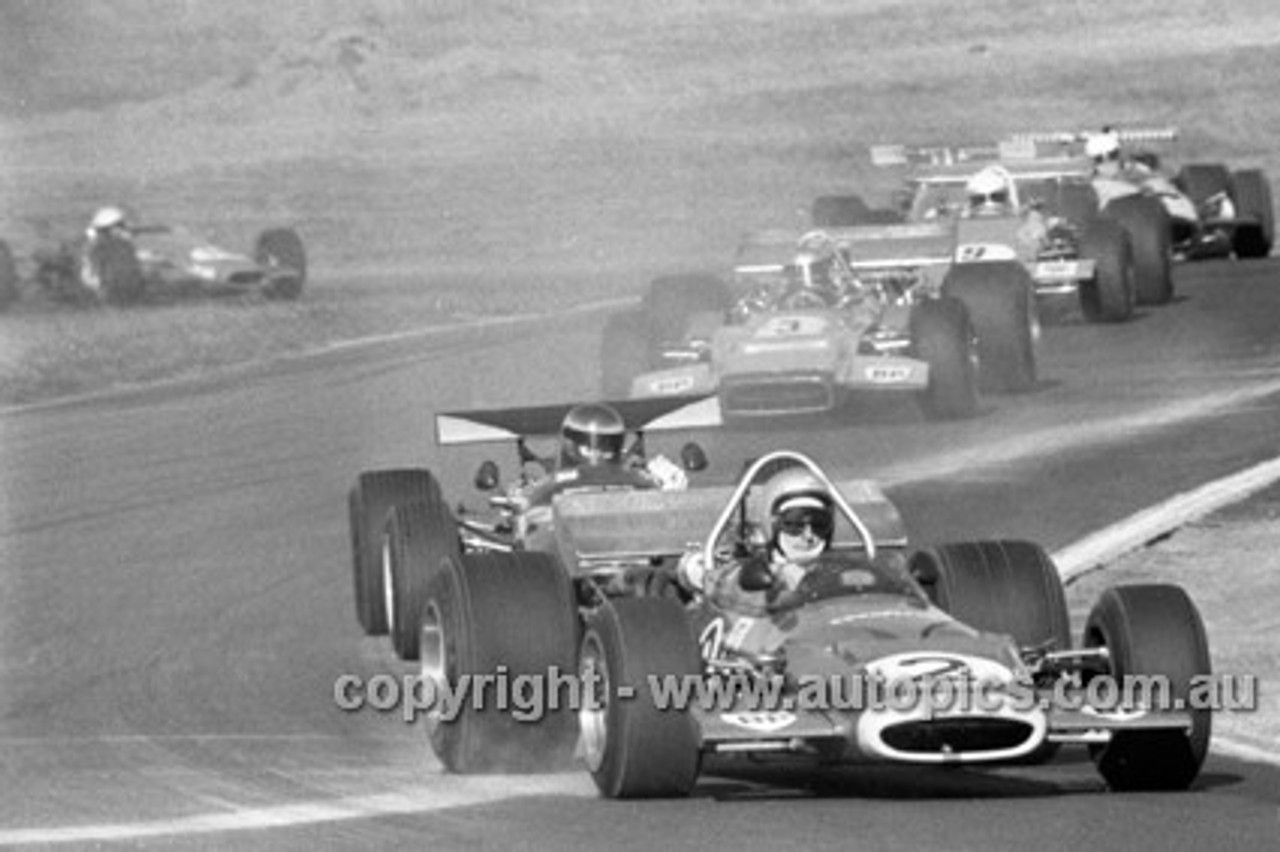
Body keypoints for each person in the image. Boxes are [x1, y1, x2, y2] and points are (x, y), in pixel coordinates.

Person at [679, 466, 836, 616]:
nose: (808, 535)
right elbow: (721, 584)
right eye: (794, 523)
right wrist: (778, 577)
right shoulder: (748, 574)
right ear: (773, 523)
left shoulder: (837, 572)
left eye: (819, 523)